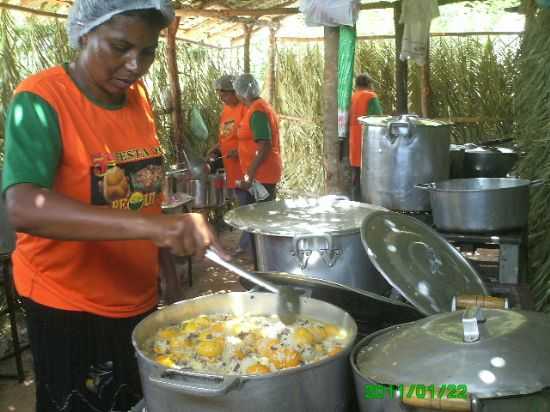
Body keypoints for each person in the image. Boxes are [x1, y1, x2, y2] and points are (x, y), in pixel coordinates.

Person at [1, 1, 227, 411]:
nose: (134, 65)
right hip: (68, 306)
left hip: (136, 301)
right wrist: (152, 228)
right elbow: (22, 206)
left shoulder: (136, 97)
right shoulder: (41, 99)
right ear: (85, 33)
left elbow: (148, 200)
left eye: (147, 52)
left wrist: (170, 282)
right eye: (120, 46)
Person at [233, 73, 282, 255]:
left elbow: (264, 146)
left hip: (263, 173)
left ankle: (266, 257)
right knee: (260, 215)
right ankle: (261, 254)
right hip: (261, 172)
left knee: (261, 217)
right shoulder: (257, 107)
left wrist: (249, 175)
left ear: (241, 93)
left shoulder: (258, 111)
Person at [207, 74, 246, 202]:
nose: (221, 98)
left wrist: (239, 151)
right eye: (219, 95)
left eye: (224, 94)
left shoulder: (246, 108)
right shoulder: (226, 110)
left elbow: (253, 140)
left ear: (235, 91)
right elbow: (225, 137)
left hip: (245, 171)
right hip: (231, 170)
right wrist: (214, 149)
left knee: (247, 208)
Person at [348, 73, 383, 201]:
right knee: (369, 175)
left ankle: (355, 202)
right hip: (367, 140)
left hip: (353, 140)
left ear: (356, 85)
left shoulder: (353, 97)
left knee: (356, 176)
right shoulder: (370, 96)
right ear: (369, 84)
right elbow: (378, 119)